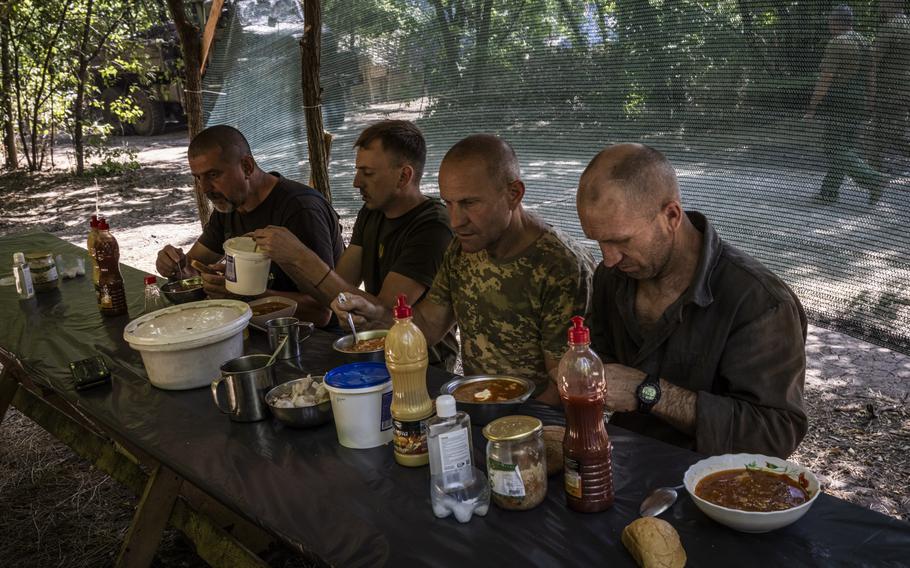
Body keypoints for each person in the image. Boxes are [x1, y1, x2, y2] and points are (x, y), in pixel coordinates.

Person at [577, 143, 808, 459]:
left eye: (620, 240)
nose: (609, 258)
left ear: (670, 215)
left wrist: (649, 392)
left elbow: (775, 433)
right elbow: (599, 359)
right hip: (627, 461)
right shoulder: (612, 276)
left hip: (717, 483)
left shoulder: (759, 302)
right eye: (598, 240)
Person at [332, 134, 594, 405]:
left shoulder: (560, 266)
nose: (456, 221)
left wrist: (509, 426)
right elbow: (429, 326)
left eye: (469, 203)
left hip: (538, 423)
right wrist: (375, 315)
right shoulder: (463, 248)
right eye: (448, 203)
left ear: (513, 194)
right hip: (479, 407)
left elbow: (567, 382)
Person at [252, 120, 458, 368]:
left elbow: (383, 311)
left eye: (368, 173)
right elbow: (333, 292)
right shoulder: (373, 212)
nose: (356, 182)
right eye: (358, 171)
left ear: (404, 176)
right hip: (375, 350)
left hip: (422, 362)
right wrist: (286, 258)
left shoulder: (433, 226)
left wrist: (300, 257)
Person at [155, 124, 343, 325]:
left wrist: (243, 294)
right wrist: (175, 266)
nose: (205, 189)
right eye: (198, 178)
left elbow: (322, 313)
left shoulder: (301, 210)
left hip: (315, 341)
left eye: (213, 175)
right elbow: (192, 267)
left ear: (247, 167)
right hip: (256, 329)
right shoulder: (229, 205)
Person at [805, 4, 888, 205]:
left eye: (830, 23)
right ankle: (829, 192)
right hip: (859, 101)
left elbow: (826, 78)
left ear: (835, 23)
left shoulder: (838, 42)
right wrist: (870, 101)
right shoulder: (864, 42)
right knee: (845, 147)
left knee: (833, 145)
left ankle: (874, 180)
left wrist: (812, 108)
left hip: (841, 101)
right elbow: (871, 77)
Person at [869, 0, 910, 172]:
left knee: (879, 135)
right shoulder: (907, 24)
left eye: (881, 3)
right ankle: (876, 175)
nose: (879, 6)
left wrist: (870, 96)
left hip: (889, 93)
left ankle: (875, 178)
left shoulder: (890, 28)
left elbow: (872, 65)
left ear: (890, 3)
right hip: (904, 90)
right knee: (889, 133)